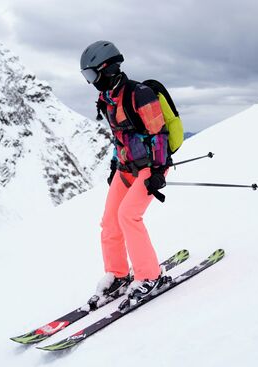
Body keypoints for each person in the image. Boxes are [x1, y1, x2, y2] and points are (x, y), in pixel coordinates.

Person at [80, 41, 170, 305]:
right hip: (126, 167)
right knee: (109, 222)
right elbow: (118, 137)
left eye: (91, 74)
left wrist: (157, 171)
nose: (91, 82)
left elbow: (159, 134)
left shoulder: (140, 94)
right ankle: (118, 275)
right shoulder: (108, 99)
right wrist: (113, 165)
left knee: (128, 215)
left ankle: (151, 276)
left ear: (107, 68)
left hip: (150, 167)